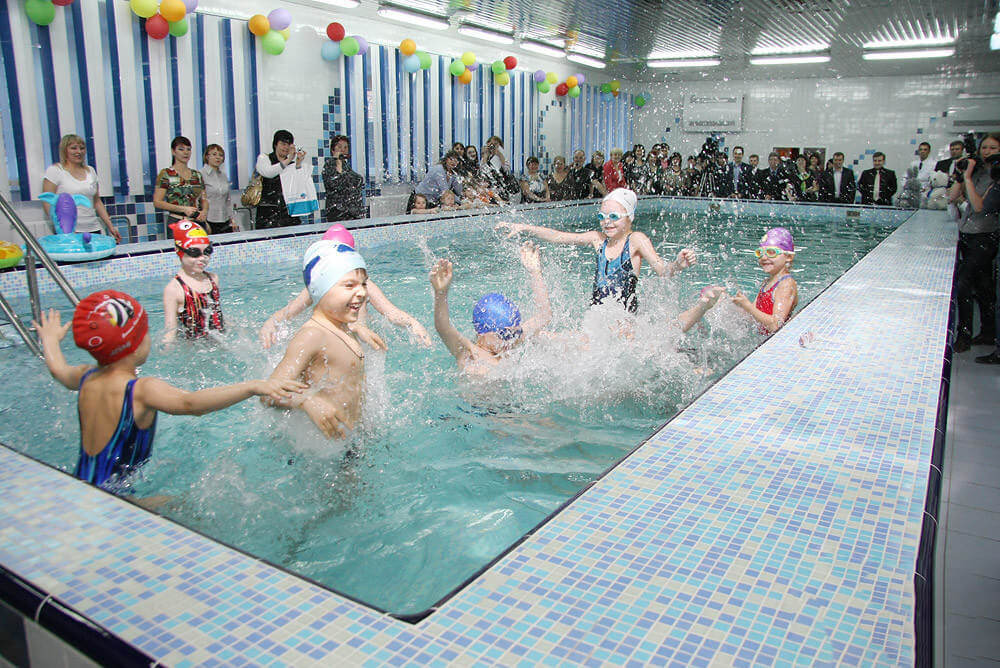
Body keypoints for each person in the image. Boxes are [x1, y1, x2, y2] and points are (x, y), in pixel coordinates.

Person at [33, 291, 304, 491]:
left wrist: (50, 340)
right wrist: (252, 386)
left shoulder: (85, 376)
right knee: (186, 511)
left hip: (82, 485)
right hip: (115, 499)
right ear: (135, 344)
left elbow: (58, 370)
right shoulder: (140, 390)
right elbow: (190, 404)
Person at [497, 188, 696, 314]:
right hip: (597, 318)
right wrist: (525, 228)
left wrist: (678, 264)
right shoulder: (597, 239)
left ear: (630, 218)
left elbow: (662, 270)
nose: (607, 221)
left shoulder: (635, 240)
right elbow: (559, 236)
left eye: (614, 216)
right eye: (602, 216)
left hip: (624, 320)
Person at [260, 225, 432, 350]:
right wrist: (270, 323)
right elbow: (288, 313)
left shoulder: (365, 285)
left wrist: (412, 323)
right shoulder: (318, 286)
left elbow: (390, 312)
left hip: (359, 334)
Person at [264, 241, 369, 438]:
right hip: (329, 450)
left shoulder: (342, 327)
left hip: (350, 440)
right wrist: (306, 401)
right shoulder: (313, 335)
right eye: (349, 285)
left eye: (364, 284)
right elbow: (268, 394)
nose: (362, 292)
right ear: (321, 289)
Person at [429, 241, 551, 375]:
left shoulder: (511, 340)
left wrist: (535, 272)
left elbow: (544, 316)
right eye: (503, 335)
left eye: (514, 333)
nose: (509, 340)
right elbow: (443, 327)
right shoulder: (470, 354)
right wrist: (441, 293)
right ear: (482, 333)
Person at [948, 134, 1000, 353]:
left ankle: (964, 334)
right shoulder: (975, 171)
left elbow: (979, 206)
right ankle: (988, 333)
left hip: (986, 236)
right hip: (968, 233)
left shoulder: (996, 176)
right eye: (984, 147)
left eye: (993, 147)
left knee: (964, 285)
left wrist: (968, 178)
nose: (987, 151)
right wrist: (962, 176)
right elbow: (952, 197)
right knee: (984, 286)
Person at [42, 134, 122, 242]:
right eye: (73, 148)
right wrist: (63, 229)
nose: (78, 152)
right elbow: (48, 203)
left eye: (82, 148)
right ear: (65, 150)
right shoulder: (55, 170)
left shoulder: (91, 171)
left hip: (93, 228)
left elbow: (97, 202)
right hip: (68, 232)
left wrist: (111, 226)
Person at [162, 221, 224, 343]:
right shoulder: (174, 289)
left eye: (207, 251)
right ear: (178, 250)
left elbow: (217, 315)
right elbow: (170, 332)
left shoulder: (213, 279)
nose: (202, 258)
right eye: (194, 253)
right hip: (194, 347)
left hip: (220, 341)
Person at [731, 227, 799, 335]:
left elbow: (776, 325)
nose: (763, 257)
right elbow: (752, 316)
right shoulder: (767, 282)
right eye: (760, 253)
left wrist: (747, 306)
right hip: (763, 339)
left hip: (777, 342)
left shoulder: (786, 284)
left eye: (771, 252)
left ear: (788, 257)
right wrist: (735, 304)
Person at [255, 130, 307, 229]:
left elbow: (300, 184)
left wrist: (298, 164)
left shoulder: (291, 164)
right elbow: (269, 172)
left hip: (288, 212)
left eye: (289, 145)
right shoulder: (264, 158)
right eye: (283, 144)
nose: (286, 148)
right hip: (268, 213)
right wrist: (288, 160)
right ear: (275, 144)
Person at [153, 136, 208, 226]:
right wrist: (183, 209)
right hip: (177, 222)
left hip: (197, 222)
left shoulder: (197, 175)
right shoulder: (166, 174)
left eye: (188, 149)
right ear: (173, 151)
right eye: (181, 149)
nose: (185, 152)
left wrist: (204, 211)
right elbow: (157, 202)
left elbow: (204, 199)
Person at [322, 135, 365, 223]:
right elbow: (337, 183)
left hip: (351, 212)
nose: (343, 149)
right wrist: (338, 161)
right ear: (332, 150)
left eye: (346, 147)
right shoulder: (329, 164)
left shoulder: (345, 165)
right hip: (339, 212)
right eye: (339, 146)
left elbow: (357, 181)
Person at [201, 144, 237, 235]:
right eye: (214, 154)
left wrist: (232, 219)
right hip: (208, 219)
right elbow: (199, 200)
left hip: (224, 219)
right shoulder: (201, 174)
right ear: (207, 156)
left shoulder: (223, 175)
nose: (218, 157)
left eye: (221, 155)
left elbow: (227, 200)